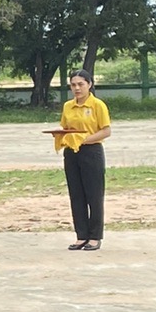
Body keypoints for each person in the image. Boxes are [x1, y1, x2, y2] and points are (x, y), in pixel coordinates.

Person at [50, 70, 111, 250]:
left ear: (89, 84)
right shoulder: (68, 106)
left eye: (80, 84)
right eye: (73, 85)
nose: (77, 88)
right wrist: (61, 134)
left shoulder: (97, 105)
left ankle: (95, 237)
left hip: (91, 152)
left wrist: (83, 139)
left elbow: (106, 131)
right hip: (71, 152)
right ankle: (81, 235)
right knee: (76, 194)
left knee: (94, 195)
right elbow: (66, 127)